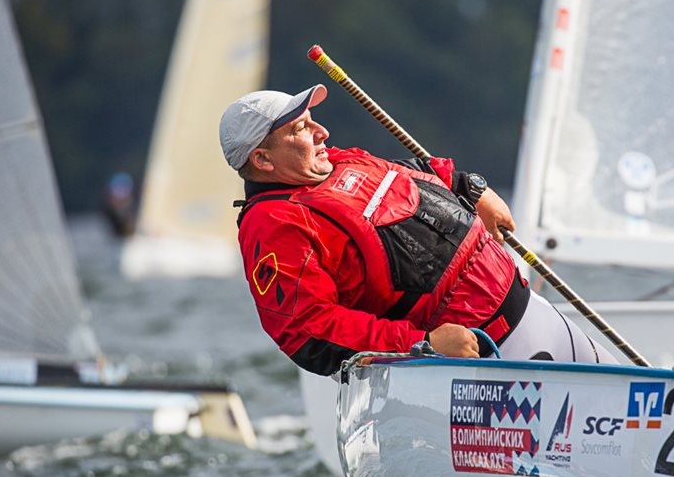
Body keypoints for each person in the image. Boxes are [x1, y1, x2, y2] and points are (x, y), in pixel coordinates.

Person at [219, 84, 617, 376]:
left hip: (531, 312)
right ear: (263, 159)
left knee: (637, 411)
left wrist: (470, 187)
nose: (321, 132)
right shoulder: (273, 225)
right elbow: (309, 332)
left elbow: (411, 175)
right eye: (300, 128)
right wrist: (421, 345)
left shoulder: (337, 161)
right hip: (476, 363)